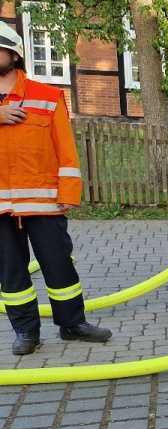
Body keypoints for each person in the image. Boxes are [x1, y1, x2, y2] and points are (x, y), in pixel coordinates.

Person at [0, 22, 112, 356]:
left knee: (59, 264)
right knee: (11, 272)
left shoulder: (47, 96)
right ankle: (26, 332)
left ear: (13, 53)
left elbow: (65, 149)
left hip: (45, 202)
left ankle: (72, 324)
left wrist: (69, 193)